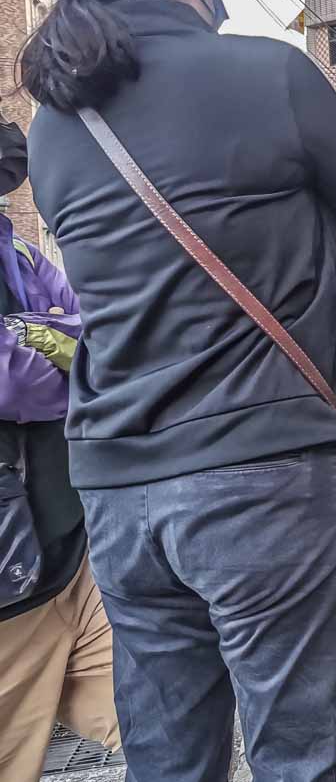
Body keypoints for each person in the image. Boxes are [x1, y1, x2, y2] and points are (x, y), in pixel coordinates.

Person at [21, 0, 336, 778]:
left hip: (120, 493)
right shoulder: (266, 73)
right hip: (263, 477)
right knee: (302, 755)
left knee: (168, 760)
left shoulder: (53, 130)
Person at [0, 116, 120, 782]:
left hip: (70, 545)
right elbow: (13, 373)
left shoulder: (15, 250)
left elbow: (92, 334)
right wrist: (54, 343)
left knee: (160, 727)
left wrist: (41, 337)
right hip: (10, 581)